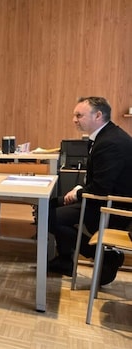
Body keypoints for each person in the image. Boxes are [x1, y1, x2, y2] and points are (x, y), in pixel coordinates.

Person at [48, 96, 132, 285]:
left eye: (79, 115)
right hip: (102, 197)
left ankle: (104, 255)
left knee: (49, 216)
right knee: (50, 205)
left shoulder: (110, 143)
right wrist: (79, 189)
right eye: (74, 115)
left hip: (111, 205)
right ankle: (65, 259)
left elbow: (101, 188)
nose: (74, 120)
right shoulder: (107, 136)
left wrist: (78, 193)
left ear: (98, 115)